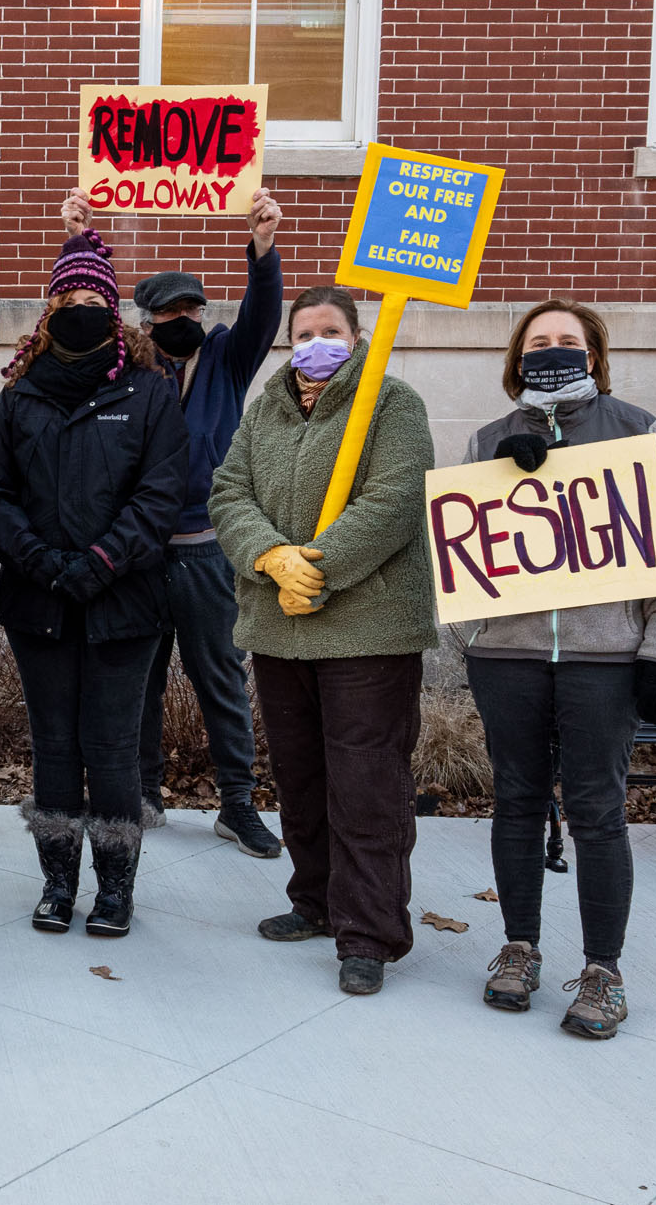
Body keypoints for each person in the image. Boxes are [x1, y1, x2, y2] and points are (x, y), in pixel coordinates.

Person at [460, 300, 656, 1039]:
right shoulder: (490, 438)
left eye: (569, 340)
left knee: (598, 812)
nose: (554, 350)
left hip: (604, 657)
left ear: (594, 354)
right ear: (517, 356)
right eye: (540, 341)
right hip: (510, 655)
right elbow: (460, 555)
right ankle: (519, 948)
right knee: (517, 803)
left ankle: (604, 970)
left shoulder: (637, 430)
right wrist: (476, 630)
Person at [209, 286, 436, 997]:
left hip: (367, 632)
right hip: (280, 630)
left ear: (357, 336)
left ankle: (368, 932)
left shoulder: (393, 404)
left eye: (330, 330)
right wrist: (272, 556)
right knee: (303, 780)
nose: (315, 343)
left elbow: (396, 499)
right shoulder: (266, 410)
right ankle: (314, 901)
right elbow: (226, 493)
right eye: (303, 332)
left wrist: (320, 566)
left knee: (367, 788)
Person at [62, 188, 287, 857]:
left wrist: (263, 249)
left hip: (207, 551)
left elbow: (263, 316)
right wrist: (80, 240)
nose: (183, 319)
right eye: (169, 312)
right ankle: (144, 790)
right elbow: (76, 317)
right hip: (139, 552)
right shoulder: (128, 367)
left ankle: (237, 803)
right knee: (140, 676)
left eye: (192, 309)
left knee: (220, 673)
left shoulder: (226, 359)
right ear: (148, 320)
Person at [0, 229, 190, 938]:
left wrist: (101, 561)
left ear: (114, 309)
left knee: (113, 747)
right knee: (55, 747)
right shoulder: (16, 398)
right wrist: (40, 560)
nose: (80, 307)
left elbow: (161, 494)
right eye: (67, 297)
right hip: (38, 601)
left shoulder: (151, 394)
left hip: (123, 605)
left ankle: (116, 889)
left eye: (93, 296)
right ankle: (57, 882)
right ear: (48, 308)